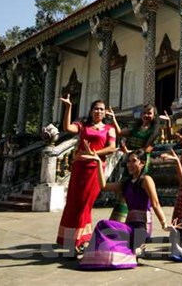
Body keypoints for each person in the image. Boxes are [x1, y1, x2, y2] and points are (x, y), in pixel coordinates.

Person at [78, 146, 170, 269]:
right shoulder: (126, 183)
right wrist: (99, 162)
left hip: (141, 229)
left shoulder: (146, 180)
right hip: (129, 227)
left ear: (142, 163)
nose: (129, 164)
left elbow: (156, 203)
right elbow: (103, 186)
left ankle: (134, 248)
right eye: (128, 161)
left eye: (134, 161)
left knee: (103, 224)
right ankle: (121, 253)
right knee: (105, 228)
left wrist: (164, 224)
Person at [56, 96, 117, 256]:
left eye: (101, 109)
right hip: (80, 168)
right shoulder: (83, 125)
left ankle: (77, 241)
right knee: (74, 204)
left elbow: (112, 148)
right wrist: (69, 107)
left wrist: (94, 154)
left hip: (95, 168)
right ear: (91, 111)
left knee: (85, 204)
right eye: (96, 108)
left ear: (105, 113)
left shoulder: (109, 129)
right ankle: (76, 241)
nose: (98, 111)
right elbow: (67, 127)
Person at [108, 104, 160, 222]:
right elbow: (120, 132)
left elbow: (146, 150)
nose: (146, 115)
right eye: (144, 113)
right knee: (125, 188)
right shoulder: (136, 128)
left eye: (149, 113)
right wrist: (113, 118)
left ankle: (138, 219)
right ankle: (119, 219)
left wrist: (130, 152)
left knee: (138, 189)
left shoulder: (155, 131)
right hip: (131, 160)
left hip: (141, 163)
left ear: (154, 115)